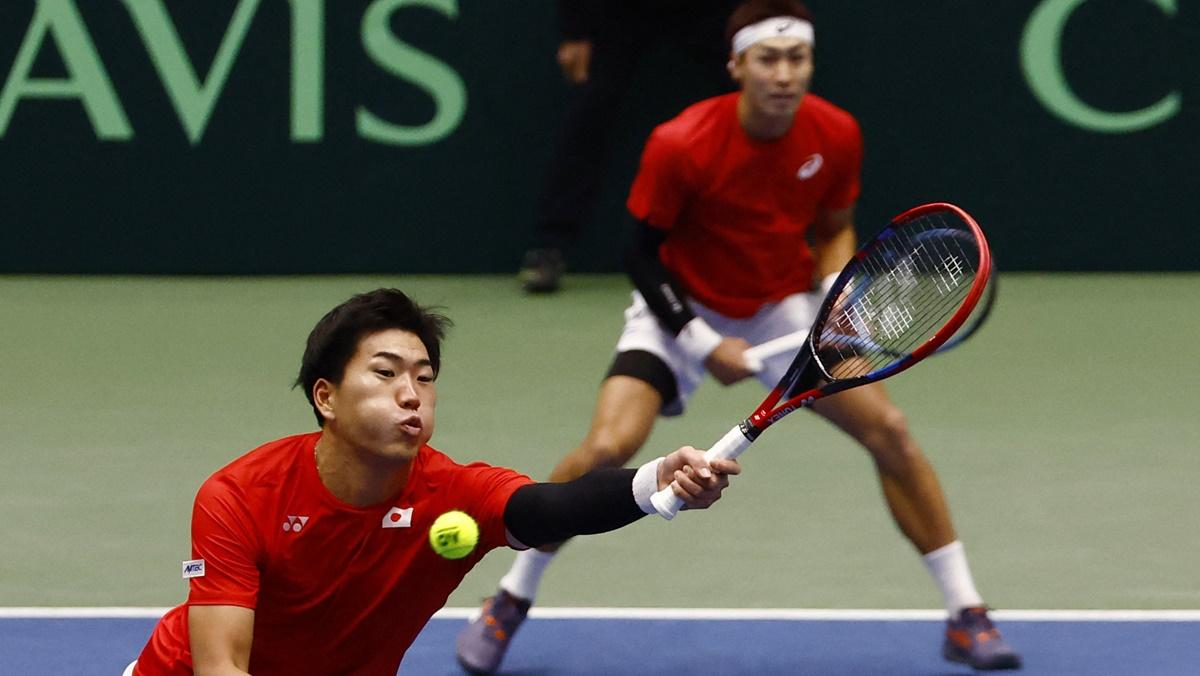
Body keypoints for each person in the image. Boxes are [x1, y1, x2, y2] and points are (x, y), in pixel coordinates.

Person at [459, 0, 1023, 672]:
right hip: (679, 308)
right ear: (736, 65)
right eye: (768, 59)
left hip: (783, 311)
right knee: (608, 447)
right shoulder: (681, 142)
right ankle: (510, 599)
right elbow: (639, 255)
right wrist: (700, 342)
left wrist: (837, 289)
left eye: (797, 58)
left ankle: (966, 613)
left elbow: (836, 226)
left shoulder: (835, 132)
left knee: (891, 433)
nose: (784, 75)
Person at [125, 288, 739, 675]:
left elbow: (551, 508)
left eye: (424, 377)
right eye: (386, 373)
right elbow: (220, 664)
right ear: (326, 397)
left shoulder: (453, 495)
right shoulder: (239, 496)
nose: (410, 395)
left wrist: (659, 478)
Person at [520, 0, 740, 293]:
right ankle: (551, 244)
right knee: (592, 106)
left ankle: (783, 244)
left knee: (757, 97)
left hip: (710, 10)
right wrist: (574, 32)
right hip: (622, 10)